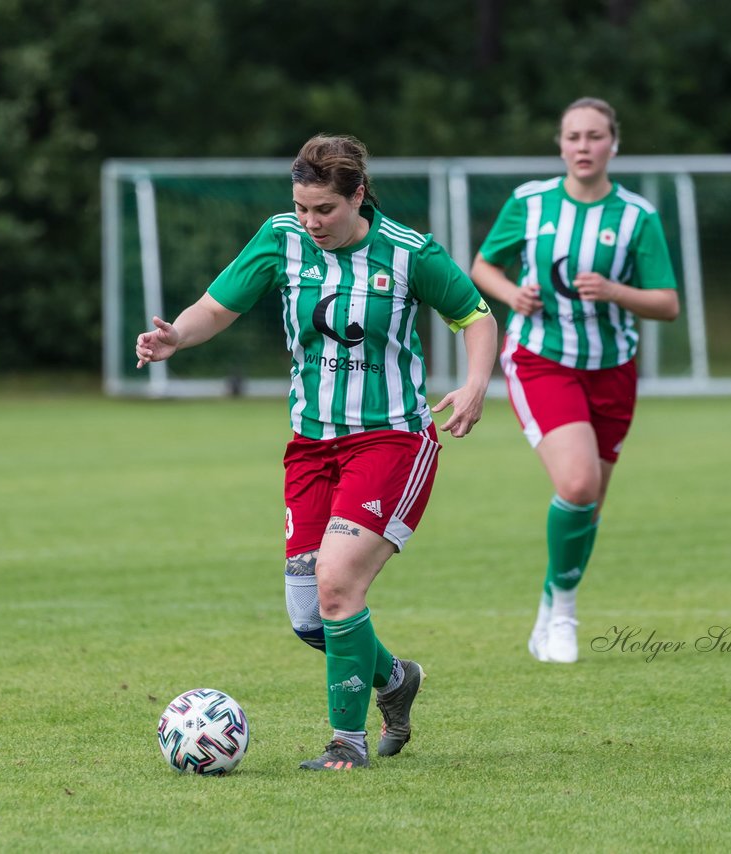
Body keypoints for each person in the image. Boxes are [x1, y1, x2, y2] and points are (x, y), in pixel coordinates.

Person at [136, 134, 497, 770]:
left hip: (391, 439)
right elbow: (218, 306)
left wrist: (474, 384)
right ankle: (394, 680)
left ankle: (346, 744)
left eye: (324, 209)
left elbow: (475, 317)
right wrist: (176, 338)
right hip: (310, 447)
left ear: (358, 195)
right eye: (302, 208)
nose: (311, 222)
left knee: (337, 586)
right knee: (311, 619)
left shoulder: (410, 253)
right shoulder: (281, 238)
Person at [470, 97, 680, 663]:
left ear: (614, 143)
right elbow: (482, 265)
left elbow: (666, 304)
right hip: (543, 359)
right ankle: (564, 617)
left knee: (589, 502)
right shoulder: (531, 203)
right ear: (560, 145)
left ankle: (551, 606)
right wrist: (512, 293)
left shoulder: (637, 216)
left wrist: (616, 292)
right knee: (579, 485)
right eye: (573, 137)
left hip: (613, 369)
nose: (583, 147)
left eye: (594, 136)